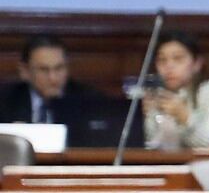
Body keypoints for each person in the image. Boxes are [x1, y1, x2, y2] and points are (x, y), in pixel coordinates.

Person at [0, 35, 135, 146]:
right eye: (44, 70)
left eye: (59, 68)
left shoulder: (88, 99)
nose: (53, 78)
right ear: (25, 71)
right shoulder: (6, 101)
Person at [143, 30, 209, 151]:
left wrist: (185, 117)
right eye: (162, 60)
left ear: (197, 64)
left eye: (178, 58)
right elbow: (150, 147)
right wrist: (148, 117)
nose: (169, 66)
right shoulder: (156, 96)